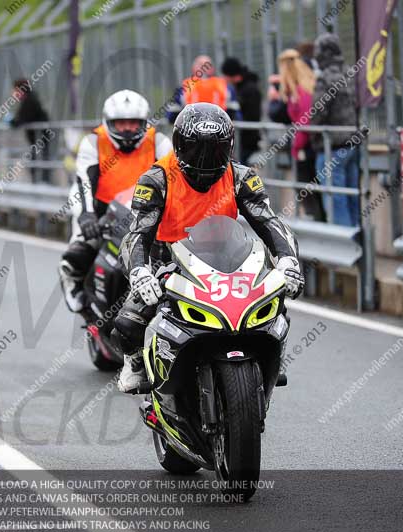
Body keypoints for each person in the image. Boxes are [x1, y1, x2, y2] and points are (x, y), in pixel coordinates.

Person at [114, 103, 303, 393]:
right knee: (128, 323)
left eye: (214, 150)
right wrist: (140, 272)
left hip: (227, 258)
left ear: (228, 148)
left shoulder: (240, 176)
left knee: (275, 303)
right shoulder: (157, 179)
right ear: (179, 145)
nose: (205, 159)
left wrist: (288, 260)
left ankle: (269, 355)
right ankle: (137, 361)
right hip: (168, 261)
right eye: (195, 149)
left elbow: (269, 221)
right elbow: (138, 233)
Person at [58, 90, 172, 312]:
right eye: (121, 124)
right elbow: (85, 182)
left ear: (144, 122)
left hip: (145, 209)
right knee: (82, 243)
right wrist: (88, 215)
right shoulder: (93, 142)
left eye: (133, 123)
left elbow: (172, 179)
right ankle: (71, 275)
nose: (128, 129)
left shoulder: (159, 142)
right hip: (102, 208)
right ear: (108, 122)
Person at [310, 33, 359, 227]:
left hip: (332, 147)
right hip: (352, 143)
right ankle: (358, 244)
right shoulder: (351, 73)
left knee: (335, 199)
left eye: (318, 51)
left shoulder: (325, 78)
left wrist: (313, 134)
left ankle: (344, 248)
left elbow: (317, 112)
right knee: (353, 194)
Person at [273, 49, 325, 222]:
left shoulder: (299, 92)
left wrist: (296, 146)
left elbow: (303, 122)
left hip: (306, 146)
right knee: (311, 188)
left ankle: (319, 224)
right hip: (311, 143)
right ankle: (319, 221)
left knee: (306, 189)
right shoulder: (306, 85)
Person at [166, 55, 239, 124]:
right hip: (203, 130)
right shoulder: (184, 87)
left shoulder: (225, 86)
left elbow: (234, 112)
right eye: (201, 64)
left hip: (206, 130)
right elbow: (173, 114)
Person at [221, 57, 262, 164]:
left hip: (247, 142)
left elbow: (251, 117)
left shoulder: (250, 89)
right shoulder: (239, 88)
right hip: (240, 142)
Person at [11, 78, 51, 183]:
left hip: (40, 137)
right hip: (38, 138)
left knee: (40, 161)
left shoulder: (29, 101)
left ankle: (42, 183)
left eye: (15, 90)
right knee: (38, 160)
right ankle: (40, 182)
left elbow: (21, 119)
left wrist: (11, 121)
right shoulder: (30, 99)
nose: (14, 93)